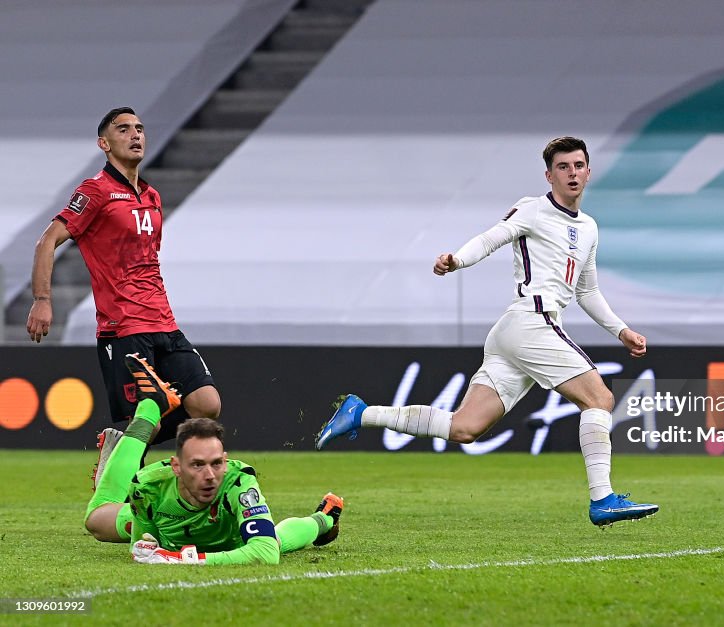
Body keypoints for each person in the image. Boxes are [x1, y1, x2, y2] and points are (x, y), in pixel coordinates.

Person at [316, 136, 658, 527]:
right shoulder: (533, 209)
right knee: (598, 398)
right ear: (549, 175)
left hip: (516, 333)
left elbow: (587, 290)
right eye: (563, 167)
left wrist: (621, 330)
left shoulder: (589, 228)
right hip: (533, 322)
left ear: (588, 171)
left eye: (578, 165)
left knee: (465, 428)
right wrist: (456, 260)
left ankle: (362, 414)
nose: (572, 173)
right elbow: (492, 237)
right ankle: (603, 499)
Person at [25, 107, 221, 459]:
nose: (135, 135)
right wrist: (42, 299)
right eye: (123, 129)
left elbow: (147, 260)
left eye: (140, 128)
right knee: (144, 422)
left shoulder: (152, 196)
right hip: (124, 328)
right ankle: (121, 479)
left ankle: (118, 445)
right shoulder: (95, 191)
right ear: (104, 143)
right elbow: (47, 241)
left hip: (164, 321)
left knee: (207, 405)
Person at [84, 353, 344, 564]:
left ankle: (323, 519)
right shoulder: (148, 486)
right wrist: (148, 547)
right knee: (96, 520)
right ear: (176, 467)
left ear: (225, 461)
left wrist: (186, 559)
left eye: (216, 463)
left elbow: (265, 553)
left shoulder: (239, 481)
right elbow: (142, 548)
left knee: (273, 540)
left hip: (229, 540)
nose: (209, 475)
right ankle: (150, 407)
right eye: (197, 464)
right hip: (168, 527)